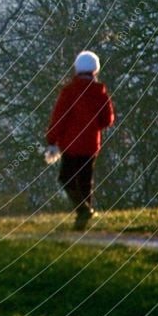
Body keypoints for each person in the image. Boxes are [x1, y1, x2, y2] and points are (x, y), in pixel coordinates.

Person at [46, 50, 115, 229]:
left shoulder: (69, 91)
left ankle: (82, 209)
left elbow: (59, 117)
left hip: (70, 143)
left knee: (66, 178)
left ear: (76, 69)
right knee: (85, 181)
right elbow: (108, 119)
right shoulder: (100, 92)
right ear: (95, 70)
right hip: (91, 144)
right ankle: (82, 222)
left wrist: (52, 139)